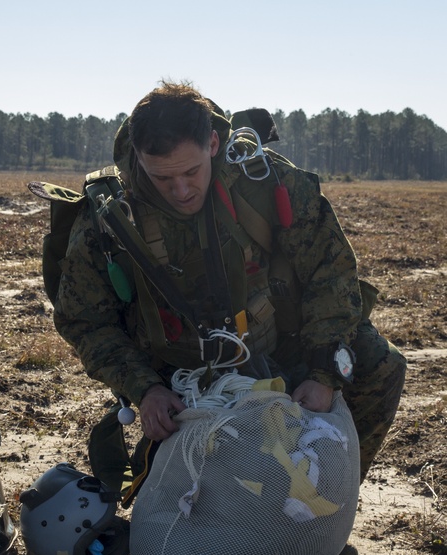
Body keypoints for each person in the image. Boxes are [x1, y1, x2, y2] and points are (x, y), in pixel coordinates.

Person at [52, 81, 407, 497]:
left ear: (214, 144)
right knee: (209, 498)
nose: (181, 191)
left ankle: (326, 499)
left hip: (280, 349)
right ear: (138, 159)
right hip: (181, 380)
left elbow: (330, 274)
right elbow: (85, 321)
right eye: (162, 178)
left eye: (191, 172)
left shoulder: (263, 179)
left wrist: (324, 373)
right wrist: (145, 389)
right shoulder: (110, 215)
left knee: (379, 363)